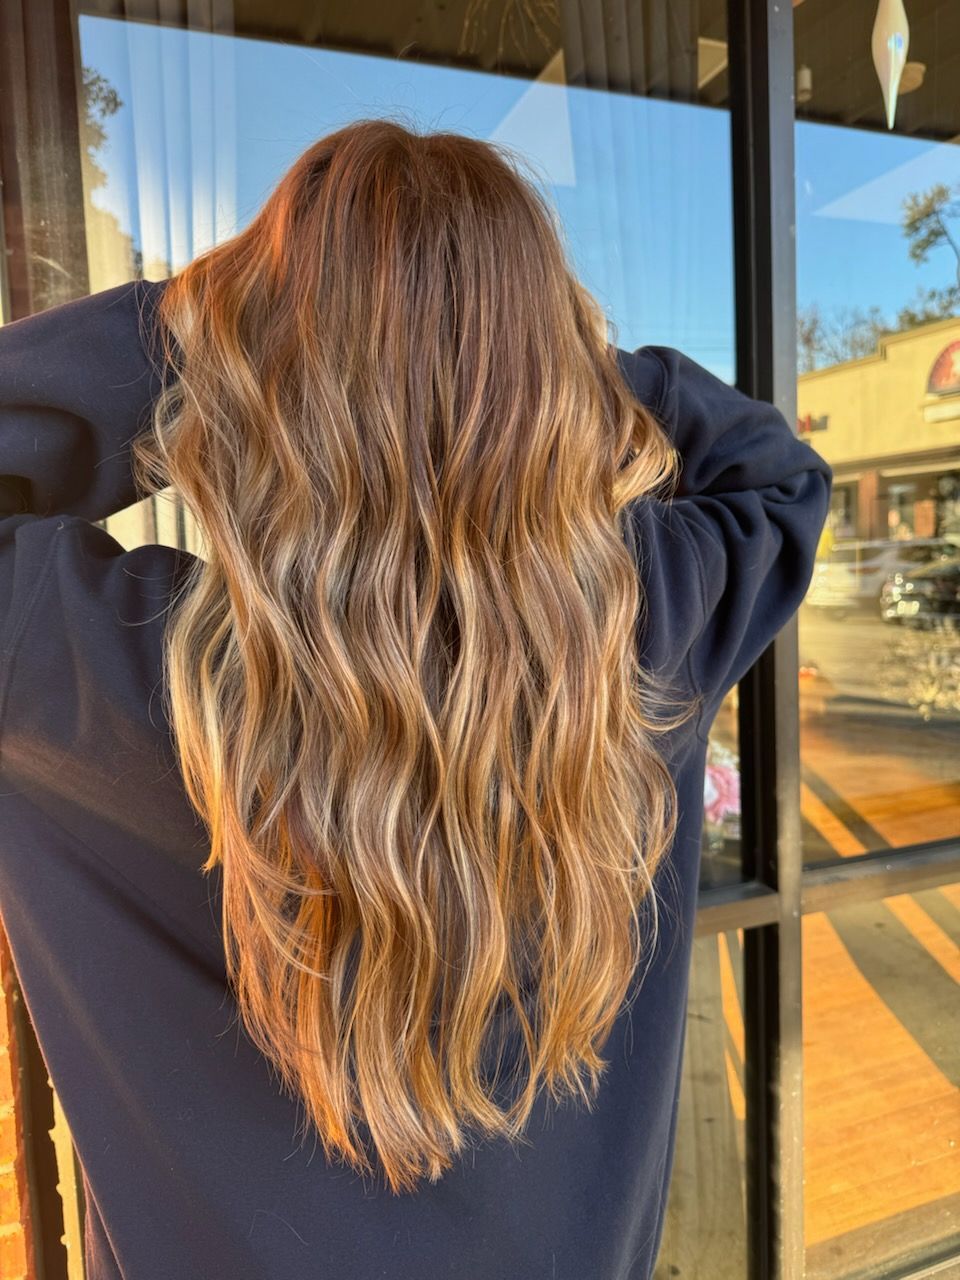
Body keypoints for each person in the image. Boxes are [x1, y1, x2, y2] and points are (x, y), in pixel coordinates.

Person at [0, 118, 832, 1280]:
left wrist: (201, 330)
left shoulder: (89, 667)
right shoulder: (650, 625)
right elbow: (778, 475)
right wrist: (549, 350)